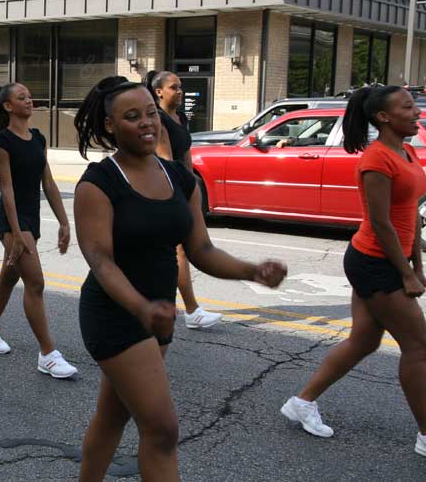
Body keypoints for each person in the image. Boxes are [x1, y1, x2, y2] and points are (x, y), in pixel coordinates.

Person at [74, 76, 287, 480]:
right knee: (162, 429)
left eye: (150, 113)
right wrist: (140, 306)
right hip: (116, 315)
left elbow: (201, 250)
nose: (146, 123)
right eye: (132, 117)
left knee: (112, 417)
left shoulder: (180, 178)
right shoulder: (98, 183)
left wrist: (251, 270)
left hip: (158, 315)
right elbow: (101, 262)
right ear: (109, 126)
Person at [281, 85, 426, 458]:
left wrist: (417, 264)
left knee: (364, 340)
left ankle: (302, 402)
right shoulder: (377, 159)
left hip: (386, 259)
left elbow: (408, 213)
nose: (416, 112)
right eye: (407, 107)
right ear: (383, 117)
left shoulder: (406, 151)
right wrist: (405, 273)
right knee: (419, 347)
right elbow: (380, 223)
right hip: (375, 261)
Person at [0, 82, 78, 379]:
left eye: (30, 96)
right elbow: (6, 192)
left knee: (8, 277)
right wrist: (18, 232)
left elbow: (48, 183)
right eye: (22, 97)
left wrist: (63, 221)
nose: (29, 100)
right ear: (8, 106)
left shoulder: (38, 138)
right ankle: (47, 355)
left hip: (30, 218)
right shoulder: (1, 144)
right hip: (11, 220)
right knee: (35, 282)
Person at [145, 70, 223, 330]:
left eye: (180, 87)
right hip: (163, 189)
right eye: (174, 87)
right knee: (178, 250)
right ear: (159, 92)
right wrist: (177, 197)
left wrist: (193, 190)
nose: (180, 91)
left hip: (182, 188)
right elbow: (166, 162)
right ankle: (191, 310)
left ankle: (174, 306)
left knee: (171, 251)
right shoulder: (158, 120)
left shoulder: (180, 117)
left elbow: (186, 156)